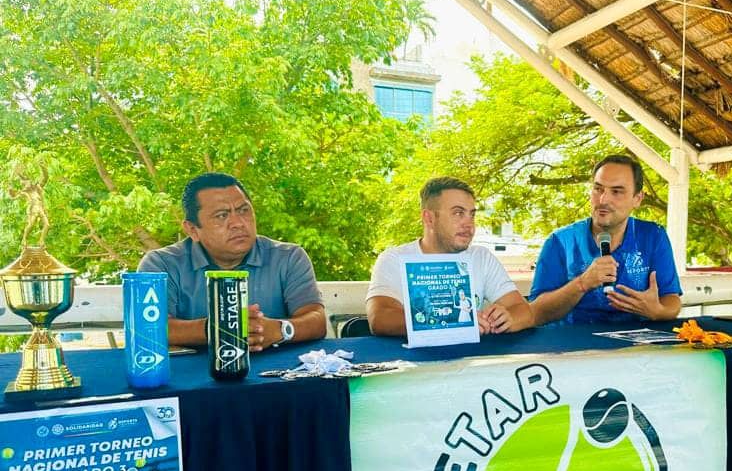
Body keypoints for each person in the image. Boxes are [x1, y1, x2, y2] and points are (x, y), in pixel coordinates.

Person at [138, 172, 326, 350]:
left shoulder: (288, 257)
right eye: (222, 215)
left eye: (244, 211)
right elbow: (149, 328)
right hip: (192, 376)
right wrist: (219, 328)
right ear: (192, 229)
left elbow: (316, 320)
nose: (238, 223)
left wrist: (279, 329)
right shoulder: (161, 265)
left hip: (273, 374)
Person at [366, 177, 533, 336]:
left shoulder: (481, 257)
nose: (469, 224)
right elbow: (380, 319)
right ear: (429, 218)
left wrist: (506, 319)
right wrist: (452, 323)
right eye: (458, 213)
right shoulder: (394, 259)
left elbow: (524, 312)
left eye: (472, 214)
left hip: (471, 362)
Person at [530, 155, 682, 326]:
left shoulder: (654, 235)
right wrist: (582, 283)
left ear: (637, 199)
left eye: (616, 191)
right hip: (572, 348)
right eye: (598, 189)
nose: (603, 200)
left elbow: (671, 299)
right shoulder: (559, 242)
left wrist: (658, 312)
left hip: (637, 348)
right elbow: (536, 311)